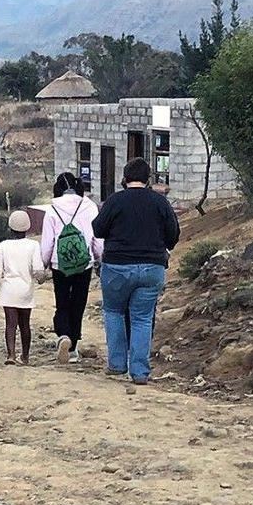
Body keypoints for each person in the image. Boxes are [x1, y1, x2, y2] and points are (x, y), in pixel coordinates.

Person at [92, 158, 180, 385]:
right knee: (142, 318)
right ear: (148, 178)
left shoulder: (115, 201)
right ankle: (140, 372)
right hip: (152, 268)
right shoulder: (160, 202)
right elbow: (173, 235)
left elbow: (98, 229)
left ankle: (117, 364)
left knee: (114, 312)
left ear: (125, 177)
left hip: (117, 268)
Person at [40, 172, 103, 364]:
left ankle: (63, 335)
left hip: (60, 263)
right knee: (78, 302)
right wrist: (98, 257)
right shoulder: (90, 206)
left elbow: (47, 241)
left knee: (62, 302)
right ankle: (73, 346)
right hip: (84, 263)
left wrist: (45, 262)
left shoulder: (52, 209)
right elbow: (97, 237)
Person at [0, 211, 45, 366]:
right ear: (27, 228)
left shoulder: (4, 246)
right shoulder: (33, 245)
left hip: (9, 291)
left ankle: (11, 355)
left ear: (10, 228)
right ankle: (25, 356)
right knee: (25, 324)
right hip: (26, 291)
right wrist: (41, 279)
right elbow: (38, 270)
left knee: (10, 324)